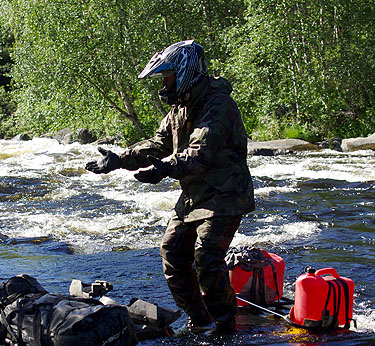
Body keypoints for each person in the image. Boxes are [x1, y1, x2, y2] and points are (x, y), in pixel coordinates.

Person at [85, 40, 254, 331]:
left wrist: (164, 168)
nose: (164, 83)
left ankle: (226, 328)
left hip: (225, 194)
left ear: (184, 72)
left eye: (167, 76)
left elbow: (201, 151)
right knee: (173, 252)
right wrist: (118, 161)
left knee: (206, 255)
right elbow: (158, 143)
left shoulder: (218, 104)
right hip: (194, 194)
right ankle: (200, 321)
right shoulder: (180, 105)